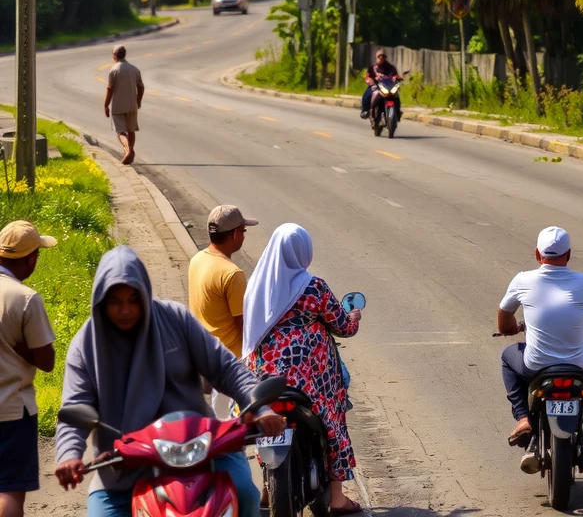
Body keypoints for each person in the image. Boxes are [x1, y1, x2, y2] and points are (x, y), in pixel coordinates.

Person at [53, 246, 285, 517]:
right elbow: (75, 406)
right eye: (115, 301)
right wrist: (69, 454)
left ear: (145, 293)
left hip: (202, 448)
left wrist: (261, 408)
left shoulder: (175, 319)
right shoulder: (85, 346)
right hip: (125, 466)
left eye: (133, 299)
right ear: (101, 301)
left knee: (244, 495)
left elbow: (225, 368)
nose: (125, 309)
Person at [243, 223, 363, 515]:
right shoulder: (314, 287)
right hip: (311, 379)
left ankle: (268, 488)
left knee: (265, 420)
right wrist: (355, 316)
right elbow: (343, 327)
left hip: (267, 375)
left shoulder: (257, 285)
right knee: (334, 422)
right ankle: (337, 497)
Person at [497, 226, 583, 474]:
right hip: (579, 367)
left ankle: (522, 419)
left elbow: (504, 321)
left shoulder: (522, 280)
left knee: (508, 358)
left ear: (538, 254)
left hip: (535, 366)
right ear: (569, 254)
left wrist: (512, 328)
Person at [0, 221, 57, 517]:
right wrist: (24, 350)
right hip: (12, 409)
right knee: (9, 490)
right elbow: (47, 361)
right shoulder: (24, 298)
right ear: (30, 258)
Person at [188, 205, 259, 419]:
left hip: (204, 352)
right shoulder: (232, 274)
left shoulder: (197, 259)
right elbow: (243, 326)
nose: (244, 235)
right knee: (227, 428)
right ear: (235, 234)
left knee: (217, 423)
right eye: (244, 231)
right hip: (229, 362)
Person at [103, 45, 145, 165]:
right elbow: (141, 87)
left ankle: (128, 150)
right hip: (132, 105)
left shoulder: (114, 70)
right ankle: (130, 151)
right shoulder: (135, 69)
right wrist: (138, 101)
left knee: (120, 131)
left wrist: (106, 105)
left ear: (115, 57)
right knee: (131, 130)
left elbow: (110, 89)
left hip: (118, 106)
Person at [359, 49, 403, 121]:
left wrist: (398, 78)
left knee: (397, 97)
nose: (381, 58)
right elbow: (367, 76)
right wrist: (372, 81)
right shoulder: (372, 68)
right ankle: (365, 110)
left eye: (383, 56)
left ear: (385, 58)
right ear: (377, 58)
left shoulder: (391, 68)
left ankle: (397, 112)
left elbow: (395, 75)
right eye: (379, 56)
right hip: (376, 86)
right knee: (366, 95)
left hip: (388, 87)